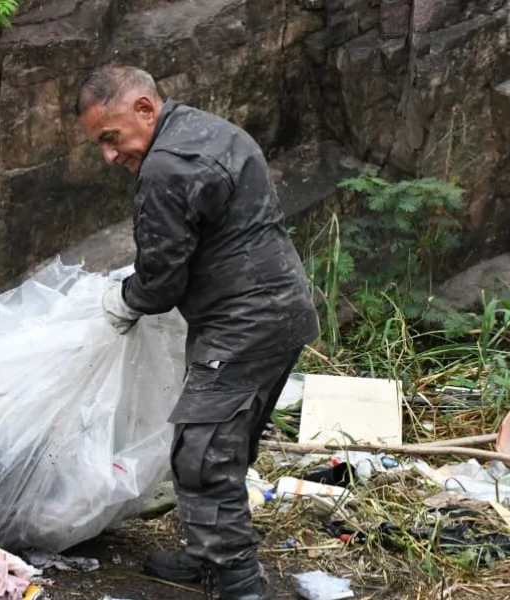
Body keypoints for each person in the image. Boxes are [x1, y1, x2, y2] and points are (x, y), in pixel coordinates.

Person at [76, 65, 319, 599]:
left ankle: (237, 583)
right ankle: (208, 553)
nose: (110, 156)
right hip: (280, 309)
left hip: (243, 320)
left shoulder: (167, 165)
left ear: (144, 108)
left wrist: (125, 299)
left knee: (202, 451)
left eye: (110, 139)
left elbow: (161, 279)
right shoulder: (207, 129)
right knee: (228, 443)